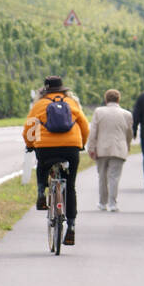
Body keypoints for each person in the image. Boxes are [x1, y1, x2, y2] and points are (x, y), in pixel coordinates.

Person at [23, 75, 90, 246]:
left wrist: (31, 144)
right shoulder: (72, 103)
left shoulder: (40, 104)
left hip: (45, 147)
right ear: (63, 89)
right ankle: (72, 226)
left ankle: (40, 194)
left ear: (44, 90)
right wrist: (81, 143)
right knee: (71, 186)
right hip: (71, 147)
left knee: (42, 166)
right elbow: (84, 125)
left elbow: (30, 126)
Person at [86, 88, 132, 212]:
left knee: (102, 177)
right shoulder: (127, 114)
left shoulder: (99, 112)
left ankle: (102, 202)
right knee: (114, 177)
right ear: (118, 99)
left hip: (102, 149)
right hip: (119, 149)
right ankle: (112, 203)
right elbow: (129, 134)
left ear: (106, 99)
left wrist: (91, 148)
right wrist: (127, 146)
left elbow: (93, 131)